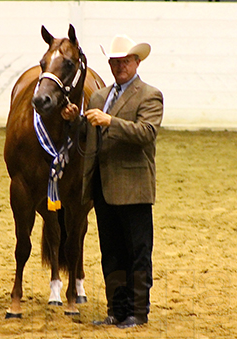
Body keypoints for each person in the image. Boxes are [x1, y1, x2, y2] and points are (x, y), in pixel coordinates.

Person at [62, 35, 163, 328]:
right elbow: (89, 134)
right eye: (115, 62)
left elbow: (145, 133)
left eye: (125, 62)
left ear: (136, 62)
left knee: (137, 252)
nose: (120, 66)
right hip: (103, 186)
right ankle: (116, 309)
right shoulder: (99, 97)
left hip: (134, 187)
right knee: (112, 253)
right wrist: (75, 121)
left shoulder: (150, 95)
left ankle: (138, 311)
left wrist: (110, 122)